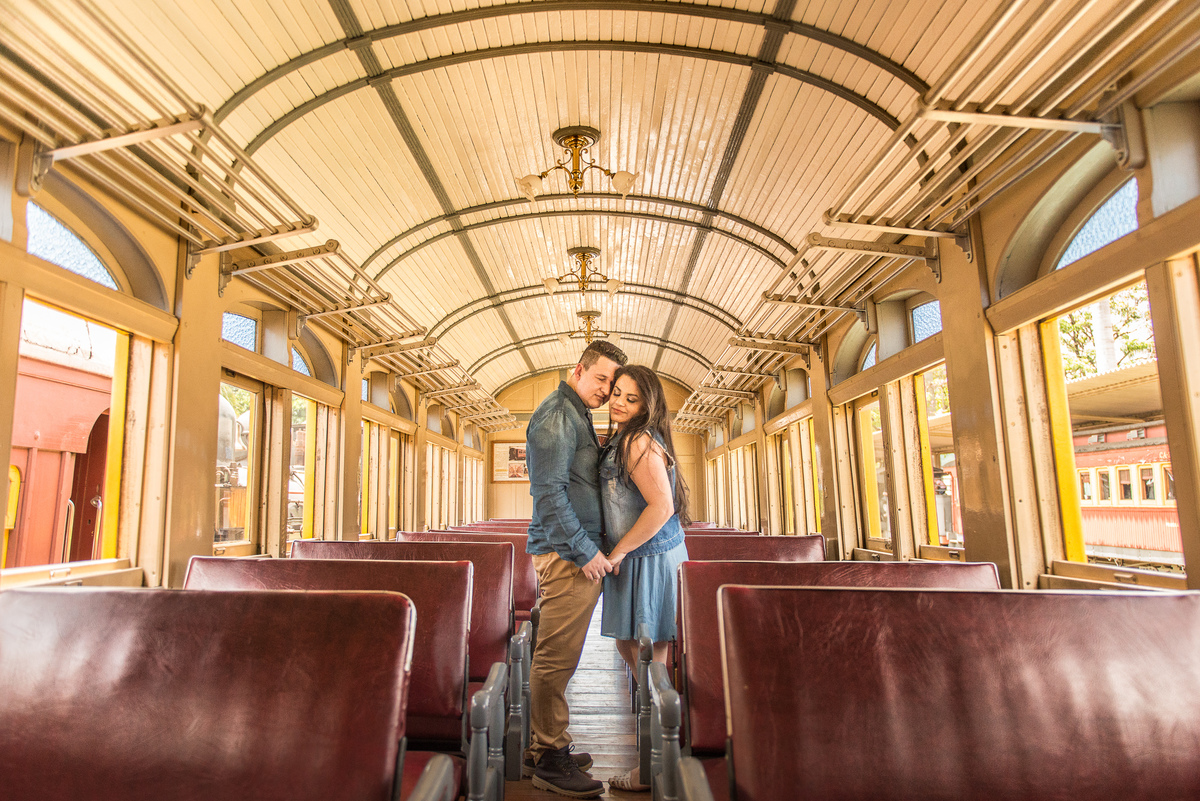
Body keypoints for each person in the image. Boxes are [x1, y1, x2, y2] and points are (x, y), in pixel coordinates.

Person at [524, 339, 628, 799]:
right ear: (578, 370)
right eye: (601, 378)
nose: (605, 390)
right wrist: (586, 552)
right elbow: (548, 495)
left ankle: (546, 743)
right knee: (557, 656)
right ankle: (549, 757)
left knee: (559, 654)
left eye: (611, 382)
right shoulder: (557, 416)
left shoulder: (577, 413)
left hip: (572, 551)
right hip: (567, 556)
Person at [598, 365, 690, 793]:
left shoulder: (636, 440)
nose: (619, 402)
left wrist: (617, 551)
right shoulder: (626, 437)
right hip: (644, 555)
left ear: (646, 406)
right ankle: (665, 759)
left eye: (631, 399)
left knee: (653, 668)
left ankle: (658, 767)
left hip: (648, 558)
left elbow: (660, 507)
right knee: (643, 659)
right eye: (617, 392)